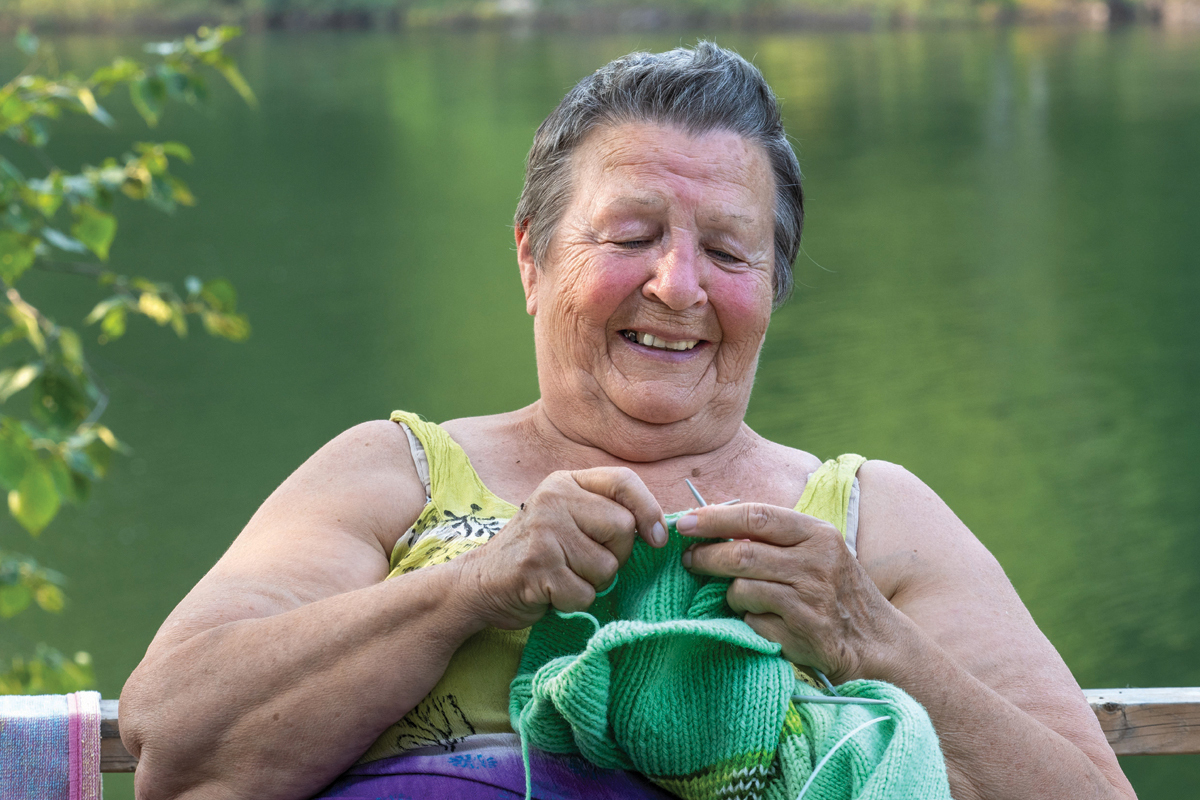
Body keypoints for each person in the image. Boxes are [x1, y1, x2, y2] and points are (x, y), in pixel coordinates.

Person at [119, 43, 1136, 800]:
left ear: (773, 289)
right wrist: (471, 588)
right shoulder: (396, 474)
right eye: (632, 234)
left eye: (730, 253)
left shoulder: (874, 523)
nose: (678, 285)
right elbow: (178, 743)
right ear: (532, 257)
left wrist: (871, 636)